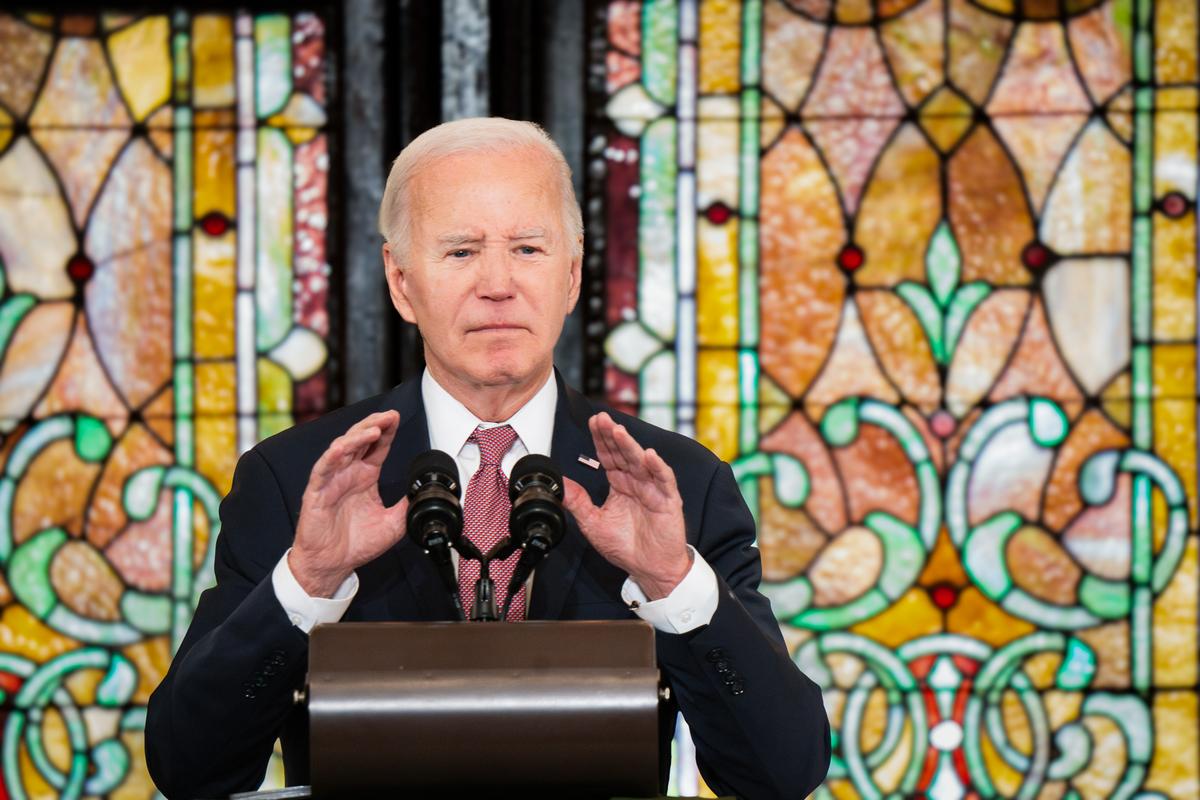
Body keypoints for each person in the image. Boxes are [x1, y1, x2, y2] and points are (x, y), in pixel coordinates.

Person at [145, 118, 830, 799]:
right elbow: (190, 769)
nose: (498, 284)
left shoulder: (676, 485)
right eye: (462, 251)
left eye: (528, 248)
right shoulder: (295, 479)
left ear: (571, 274)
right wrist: (308, 582)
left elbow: (779, 775)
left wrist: (674, 583)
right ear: (401, 281)